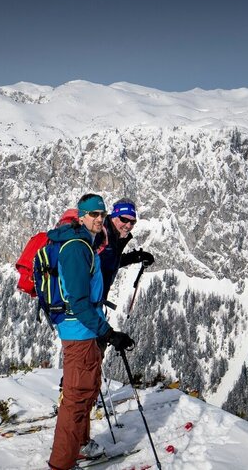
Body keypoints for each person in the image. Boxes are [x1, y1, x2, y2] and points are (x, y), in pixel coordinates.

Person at [48, 193, 135, 470]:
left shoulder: (87, 242)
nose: (99, 219)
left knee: (87, 391)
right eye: (93, 214)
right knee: (75, 400)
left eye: (101, 214)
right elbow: (79, 302)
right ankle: (62, 464)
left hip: (87, 330)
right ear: (81, 216)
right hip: (80, 332)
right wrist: (108, 334)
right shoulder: (76, 247)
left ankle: (81, 445)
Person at [96, 198, 155, 302]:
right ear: (114, 216)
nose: (128, 225)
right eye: (124, 219)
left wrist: (135, 257)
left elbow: (108, 261)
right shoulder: (100, 235)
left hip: (94, 301)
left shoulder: (114, 236)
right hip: (82, 303)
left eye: (132, 222)